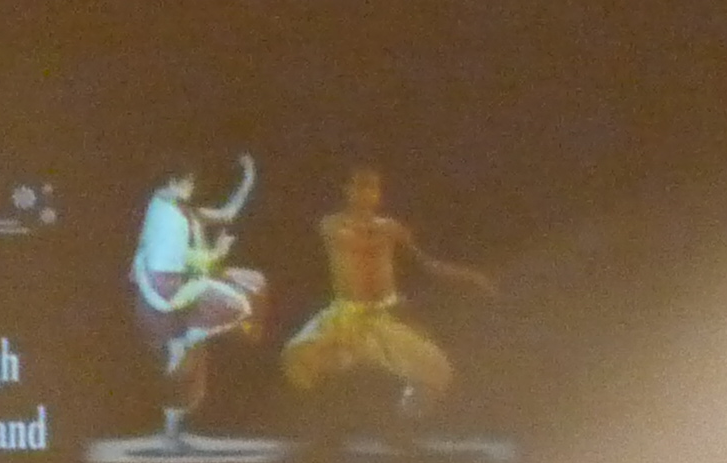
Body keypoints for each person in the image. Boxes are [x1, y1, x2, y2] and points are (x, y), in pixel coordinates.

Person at [279, 165, 494, 423]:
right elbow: (354, 241)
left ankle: (405, 421)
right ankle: (325, 421)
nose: (367, 194)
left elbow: (427, 263)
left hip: (386, 314)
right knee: (298, 356)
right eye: (360, 186)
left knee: (438, 369)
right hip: (345, 316)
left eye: (373, 188)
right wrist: (380, 232)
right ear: (348, 190)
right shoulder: (332, 224)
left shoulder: (390, 227)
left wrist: (470, 276)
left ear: (379, 194)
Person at [131, 158, 268, 442]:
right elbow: (175, 261)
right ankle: (187, 340)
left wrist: (248, 181)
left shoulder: (184, 210)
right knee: (240, 306)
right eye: (188, 183)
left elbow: (227, 214)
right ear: (172, 183)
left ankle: (172, 433)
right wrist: (216, 253)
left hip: (182, 286)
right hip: (170, 290)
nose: (192, 188)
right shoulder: (165, 213)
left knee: (191, 364)